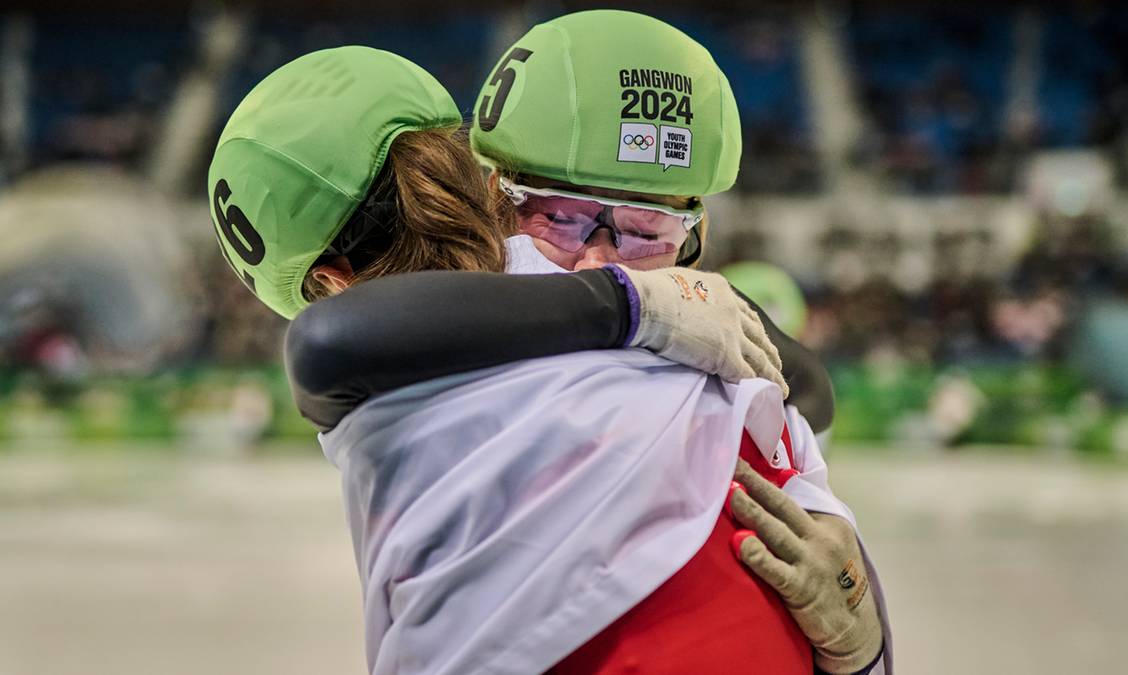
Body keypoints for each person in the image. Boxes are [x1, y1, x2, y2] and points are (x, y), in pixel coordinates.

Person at [209, 45, 884, 675]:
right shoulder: (685, 305)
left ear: (329, 280)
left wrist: (627, 304)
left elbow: (327, 343)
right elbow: (808, 397)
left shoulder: (389, 363)